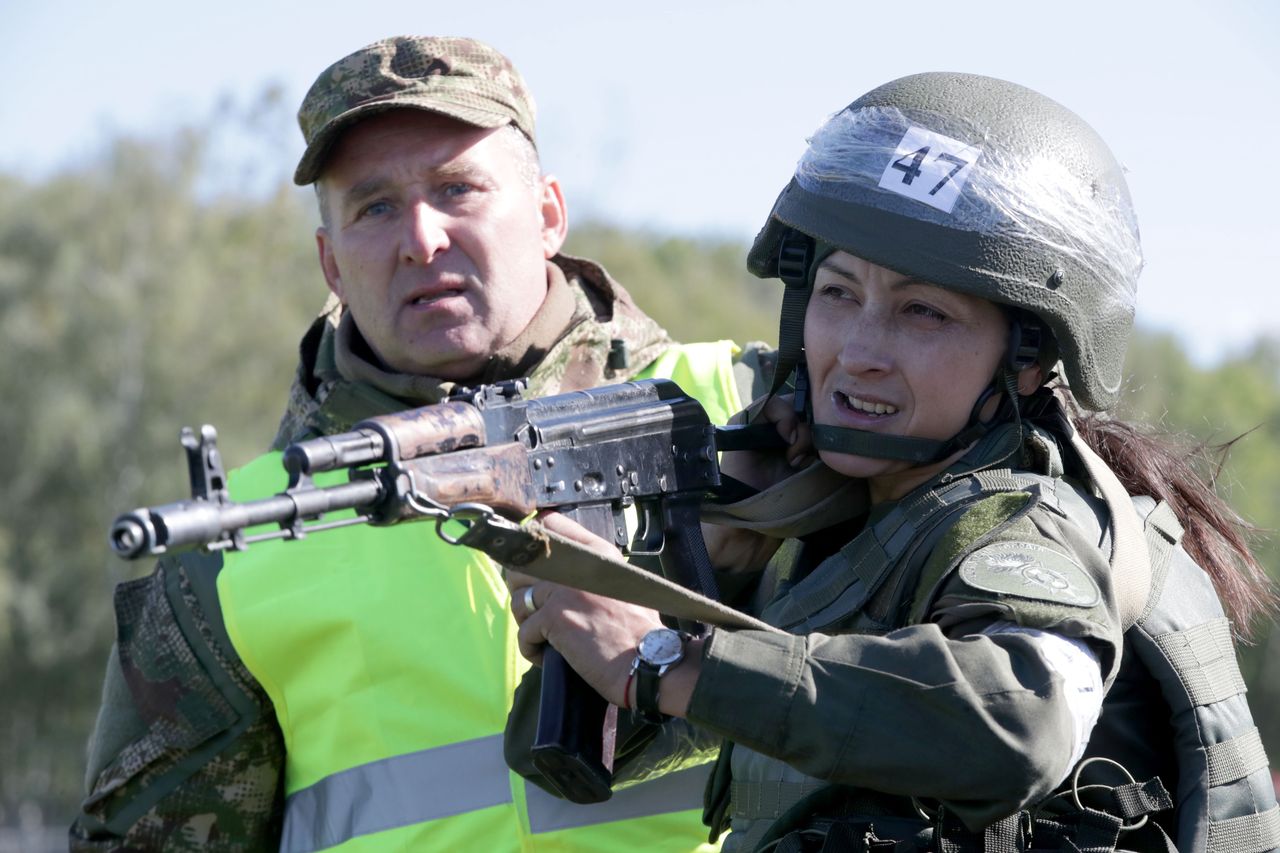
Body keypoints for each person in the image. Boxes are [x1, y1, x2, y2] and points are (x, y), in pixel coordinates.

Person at [504, 72, 1280, 852]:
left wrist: (665, 659)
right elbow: (586, 762)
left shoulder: (1017, 522)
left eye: (922, 312)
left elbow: (1025, 717)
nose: (860, 351)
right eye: (839, 294)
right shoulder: (853, 520)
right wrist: (709, 564)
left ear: (1027, 359)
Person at [72, 35, 765, 851]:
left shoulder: (752, 410)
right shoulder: (235, 541)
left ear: (547, 215)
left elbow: (900, 705)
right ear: (331, 264)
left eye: (457, 188)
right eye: (374, 207)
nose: (422, 238)